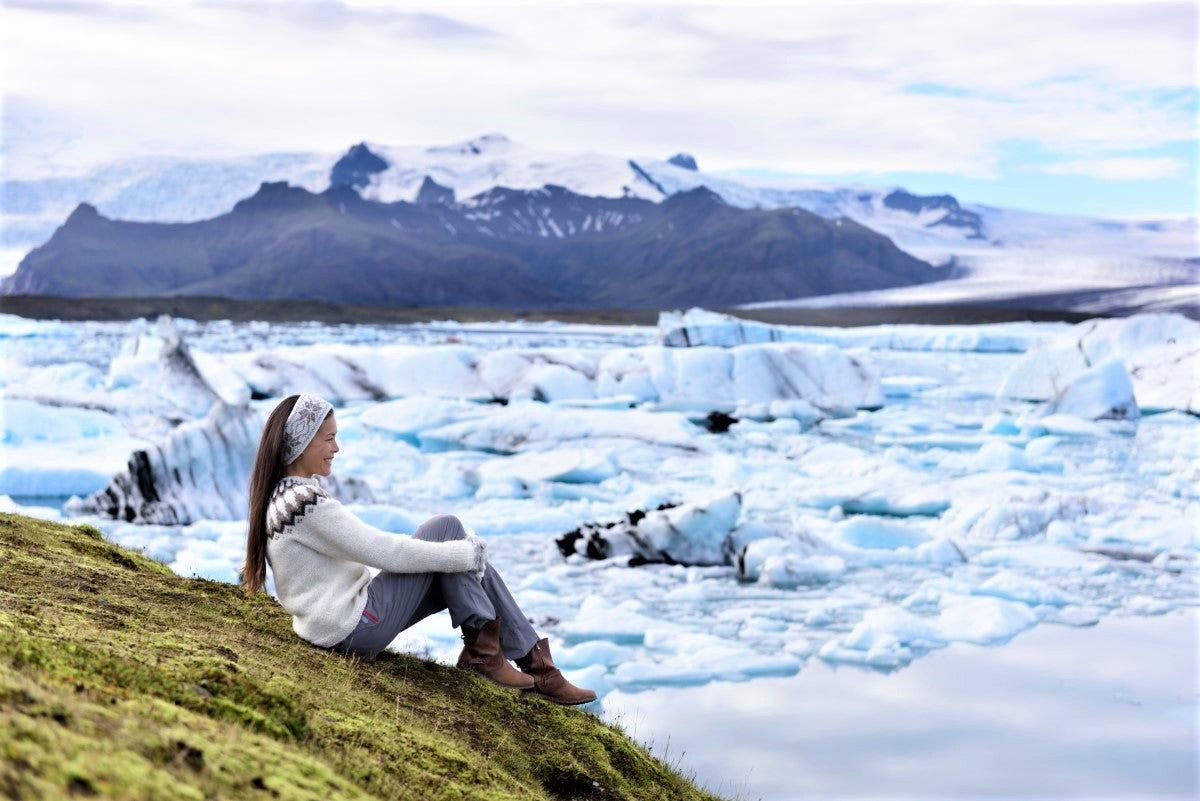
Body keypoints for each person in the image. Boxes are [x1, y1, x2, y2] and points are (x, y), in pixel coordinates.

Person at [241, 393, 596, 706]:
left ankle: (519, 664)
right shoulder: (303, 503)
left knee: (457, 551)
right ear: (303, 443)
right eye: (330, 439)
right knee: (447, 530)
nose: (337, 449)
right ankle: (516, 663)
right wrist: (463, 556)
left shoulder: (284, 496)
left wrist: (463, 560)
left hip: (336, 625)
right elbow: (382, 551)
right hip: (353, 628)